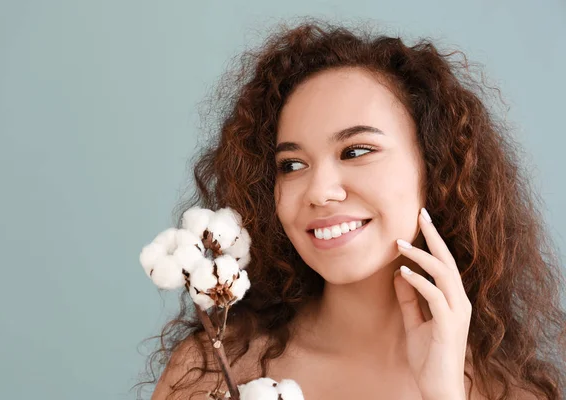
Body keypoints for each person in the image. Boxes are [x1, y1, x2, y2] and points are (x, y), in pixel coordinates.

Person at [136, 19, 566, 400]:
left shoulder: (509, 392)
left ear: (436, 166)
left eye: (356, 150)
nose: (319, 191)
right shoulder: (211, 373)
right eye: (292, 165)